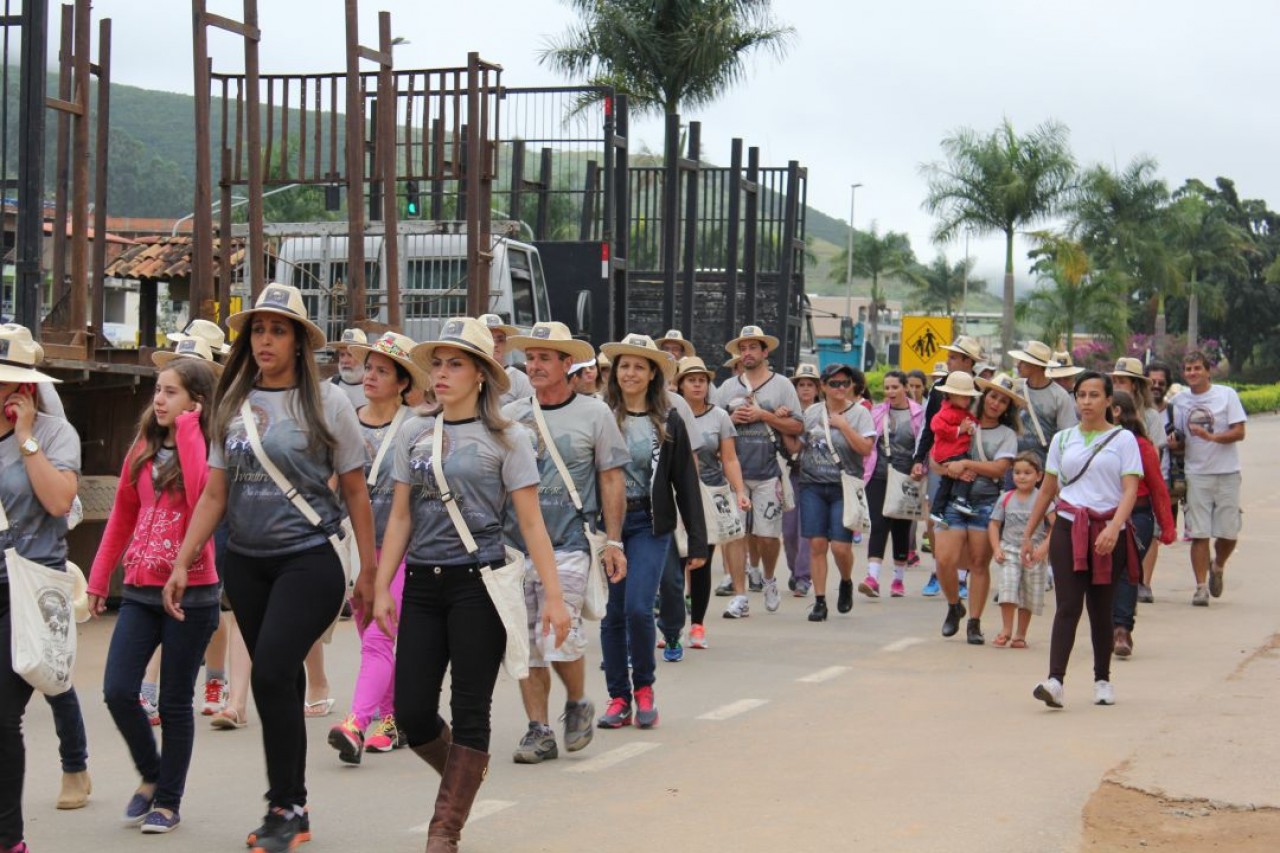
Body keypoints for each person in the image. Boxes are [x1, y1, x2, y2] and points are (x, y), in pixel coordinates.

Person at [172, 284, 377, 853]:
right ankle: (295, 804)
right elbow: (215, 494)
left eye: (277, 330)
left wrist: (369, 572)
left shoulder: (329, 404)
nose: (265, 340)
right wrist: (184, 561)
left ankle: (283, 806)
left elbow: (356, 493)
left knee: (268, 675)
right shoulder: (233, 400)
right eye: (258, 330)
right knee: (279, 683)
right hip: (246, 562)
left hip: (309, 560)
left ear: (298, 342)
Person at [372, 317, 569, 852]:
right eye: (436, 363)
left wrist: (554, 596)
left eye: (455, 363)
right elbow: (399, 518)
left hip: (478, 584)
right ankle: (465, 773)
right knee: (411, 712)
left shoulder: (508, 438)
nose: (441, 373)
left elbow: (531, 523)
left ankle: (445, 829)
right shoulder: (413, 430)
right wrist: (378, 586)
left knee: (470, 708)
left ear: (482, 374)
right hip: (420, 581)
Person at [87, 350, 220, 834]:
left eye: (171, 391)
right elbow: (123, 514)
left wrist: (189, 431)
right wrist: (99, 578)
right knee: (118, 690)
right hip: (141, 589)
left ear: (196, 402)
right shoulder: (142, 446)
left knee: (174, 703)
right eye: (157, 390)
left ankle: (167, 799)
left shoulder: (206, 447)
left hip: (193, 593)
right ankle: (151, 772)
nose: (159, 399)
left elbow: (206, 490)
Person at [501, 322, 627, 763]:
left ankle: (576, 701)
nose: (533, 366)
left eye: (543, 359)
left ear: (566, 364)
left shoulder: (595, 414)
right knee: (526, 641)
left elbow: (611, 478)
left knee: (558, 633)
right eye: (529, 358)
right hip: (515, 547)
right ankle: (538, 729)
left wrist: (614, 541)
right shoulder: (511, 415)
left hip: (571, 541)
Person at [325, 332, 426, 765]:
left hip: (403, 548)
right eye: (369, 368)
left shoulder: (417, 425)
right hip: (356, 548)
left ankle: (356, 723)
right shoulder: (346, 421)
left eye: (382, 371)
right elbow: (331, 482)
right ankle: (390, 717)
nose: (370, 376)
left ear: (403, 382)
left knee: (379, 637)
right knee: (370, 631)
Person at [0, 325, 83, 853]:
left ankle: (10, 840)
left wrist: (26, 437)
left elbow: (57, 502)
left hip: (30, 591)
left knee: (3, 714)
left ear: (26, 390)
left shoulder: (54, 435)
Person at [597, 334, 705, 728]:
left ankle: (644, 688)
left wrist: (696, 540)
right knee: (612, 615)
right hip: (607, 526)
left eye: (639, 366)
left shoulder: (669, 418)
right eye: (624, 365)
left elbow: (685, 482)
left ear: (653, 374)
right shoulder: (601, 413)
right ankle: (617, 697)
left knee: (639, 609)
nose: (630, 373)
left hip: (650, 523)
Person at [1024, 371, 1142, 709]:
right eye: (1081, 395)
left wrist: (1114, 527)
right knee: (1068, 605)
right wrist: (1030, 533)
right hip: (1067, 526)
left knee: (1101, 608)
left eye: (1093, 395)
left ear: (1109, 401)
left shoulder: (1123, 441)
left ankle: (1102, 679)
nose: (1087, 402)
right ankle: (1055, 681)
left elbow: (1130, 489)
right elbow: (1047, 489)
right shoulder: (1063, 440)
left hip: (1107, 531)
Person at [712, 326, 803, 618]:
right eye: (744, 348)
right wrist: (731, 418)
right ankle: (740, 594)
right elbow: (711, 427)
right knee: (736, 534)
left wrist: (763, 415)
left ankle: (768, 578)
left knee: (767, 536)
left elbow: (798, 427)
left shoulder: (783, 386)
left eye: (753, 348)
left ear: (765, 352)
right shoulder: (727, 388)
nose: (748, 353)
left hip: (769, 472)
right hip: (734, 474)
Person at [929, 372, 1020, 642]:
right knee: (944, 558)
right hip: (952, 500)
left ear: (1007, 408)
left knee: (980, 563)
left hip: (986, 503)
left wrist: (967, 464)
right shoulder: (961, 421)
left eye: (1003, 401)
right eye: (993, 396)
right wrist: (953, 471)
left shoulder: (1007, 435)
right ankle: (954, 604)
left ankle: (974, 622)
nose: (995, 403)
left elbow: (1000, 468)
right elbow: (935, 460)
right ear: (983, 396)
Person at [675, 356, 750, 647]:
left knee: (700, 560)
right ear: (679, 384)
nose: (697, 384)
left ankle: (697, 625)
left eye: (702, 379)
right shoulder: (670, 413)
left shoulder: (719, 416)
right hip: (675, 495)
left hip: (709, 495)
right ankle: (672, 626)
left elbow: (729, 458)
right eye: (691, 379)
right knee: (674, 563)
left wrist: (740, 491)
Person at [796, 364, 875, 621]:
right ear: (823, 386)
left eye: (845, 383)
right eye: (834, 383)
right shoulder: (812, 413)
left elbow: (865, 449)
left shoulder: (860, 414)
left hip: (844, 487)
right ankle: (819, 601)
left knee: (841, 547)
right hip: (812, 485)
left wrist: (844, 426)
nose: (840, 388)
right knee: (817, 543)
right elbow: (798, 444)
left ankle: (846, 580)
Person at [1169, 351, 1246, 606]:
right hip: (1196, 474)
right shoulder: (1179, 402)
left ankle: (1219, 565)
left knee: (1229, 532)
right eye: (1188, 369)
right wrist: (1173, 444)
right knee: (1199, 533)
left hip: (1227, 472)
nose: (1192, 373)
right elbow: (1179, 439)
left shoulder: (1227, 395)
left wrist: (1211, 437)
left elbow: (1239, 432)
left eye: (1197, 368)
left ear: (1208, 371)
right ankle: (1200, 587)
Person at [1108, 391, 1175, 658]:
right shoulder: (1087, 440)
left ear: (1115, 410)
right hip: (1099, 516)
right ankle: (1109, 626)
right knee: (1103, 572)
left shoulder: (1142, 445)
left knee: (1127, 570)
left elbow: (1158, 487)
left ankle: (1122, 630)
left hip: (1138, 516)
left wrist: (1167, 526)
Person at [913, 342, 983, 598]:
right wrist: (919, 458)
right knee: (935, 514)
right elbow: (928, 427)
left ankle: (962, 577)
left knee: (965, 516)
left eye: (954, 358)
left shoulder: (982, 391)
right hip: (939, 461)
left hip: (970, 460)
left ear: (968, 362)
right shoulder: (938, 387)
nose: (949, 361)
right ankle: (937, 569)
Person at [858, 370, 923, 599]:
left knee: (901, 528)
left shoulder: (919, 415)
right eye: (887, 388)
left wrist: (919, 466)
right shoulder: (877, 413)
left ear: (906, 387)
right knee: (878, 524)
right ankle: (872, 577)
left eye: (895, 387)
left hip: (907, 479)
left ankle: (898, 579)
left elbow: (924, 446)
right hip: (878, 475)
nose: (890, 392)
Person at [989, 452, 1053, 648]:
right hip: (1009, 550)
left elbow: (1055, 526)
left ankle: (1020, 634)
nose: (1022, 477)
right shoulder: (1005, 498)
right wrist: (996, 548)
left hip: (1034, 555)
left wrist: (1044, 547)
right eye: (1017, 472)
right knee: (1008, 588)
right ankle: (1006, 629)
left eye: (1027, 472)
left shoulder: (1044, 500)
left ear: (1039, 476)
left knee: (1029, 594)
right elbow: (994, 524)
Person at [778, 363, 821, 598]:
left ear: (817, 388)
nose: (805, 389)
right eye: (801, 384)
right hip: (791, 473)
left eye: (810, 384)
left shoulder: (824, 411)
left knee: (807, 529)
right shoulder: (788, 411)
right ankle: (796, 571)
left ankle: (805, 576)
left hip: (816, 476)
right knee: (789, 530)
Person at [1007, 340, 1077, 469]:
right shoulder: (1015, 388)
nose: (1018, 365)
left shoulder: (1059, 396)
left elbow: (1067, 435)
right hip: (1013, 461)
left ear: (1037, 366)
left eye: (1023, 362)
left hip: (1044, 465)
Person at [1138, 361, 1175, 603]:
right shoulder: (1113, 408)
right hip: (1121, 483)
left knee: (1151, 533)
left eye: (1161, 383)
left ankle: (1144, 583)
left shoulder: (1157, 415)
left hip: (1155, 479)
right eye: (1153, 382)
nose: (1157, 386)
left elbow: (1157, 455)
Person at [927, 372, 981, 525]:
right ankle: (961, 499)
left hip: (950, 452)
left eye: (969, 396)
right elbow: (935, 425)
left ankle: (937, 511)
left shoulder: (959, 411)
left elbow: (972, 422)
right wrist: (960, 430)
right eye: (964, 396)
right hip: (951, 452)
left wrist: (970, 427)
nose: (968, 399)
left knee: (946, 483)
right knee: (968, 469)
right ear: (951, 395)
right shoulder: (947, 412)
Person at [479, 313, 534, 405]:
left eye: (500, 340)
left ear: (505, 343)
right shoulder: (466, 378)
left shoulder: (520, 380)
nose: (495, 344)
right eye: (489, 339)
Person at [327, 328, 370, 409]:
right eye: (342, 355)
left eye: (350, 355)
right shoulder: (329, 385)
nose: (344, 361)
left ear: (363, 357)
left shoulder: (373, 388)